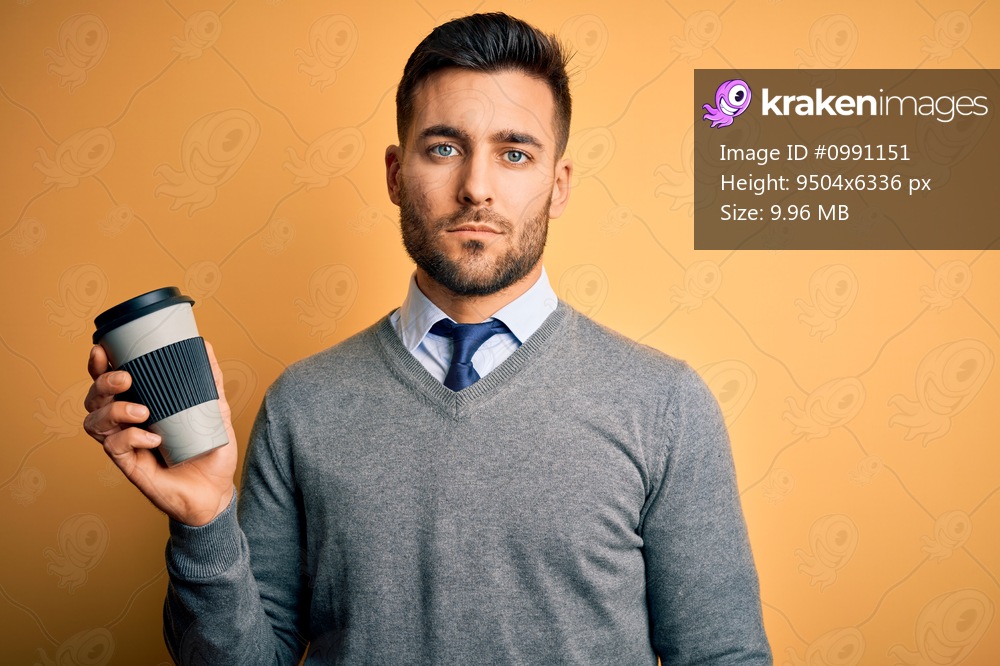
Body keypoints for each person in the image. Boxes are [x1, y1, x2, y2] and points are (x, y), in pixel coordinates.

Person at [84, 13, 771, 665]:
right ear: (394, 174)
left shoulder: (664, 405)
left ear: (558, 186)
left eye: (514, 153)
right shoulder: (303, 405)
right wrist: (204, 520)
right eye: (444, 148)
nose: (476, 187)